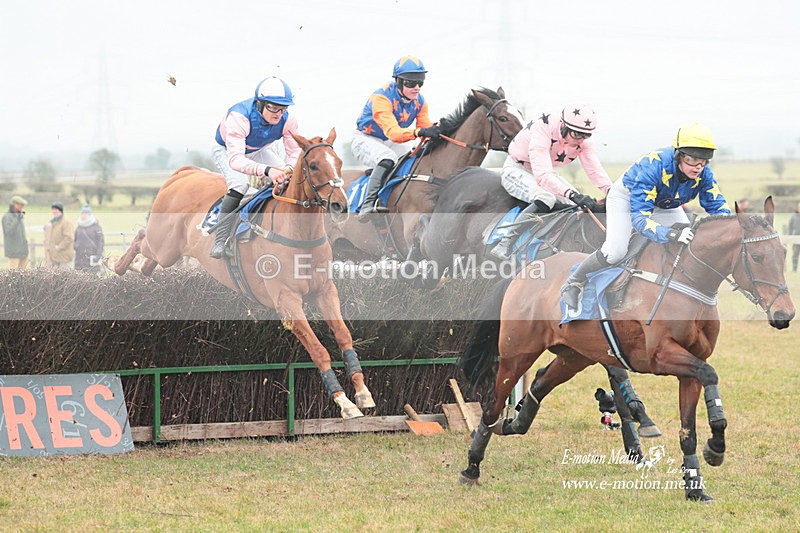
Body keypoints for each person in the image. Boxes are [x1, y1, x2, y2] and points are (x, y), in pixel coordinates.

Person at [561, 122, 731, 309]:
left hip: (664, 202)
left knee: (687, 241)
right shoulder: (653, 169)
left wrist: (732, 226)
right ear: (678, 155)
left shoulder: (703, 172)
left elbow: (717, 204)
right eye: (692, 159)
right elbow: (641, 221)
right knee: (615, 251)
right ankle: (574, 281)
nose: (698, 166)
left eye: (705, 160)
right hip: (627, 198)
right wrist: (670, 234)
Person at [491, 104, 612, 259]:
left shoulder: (582, 139)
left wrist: (611, 190)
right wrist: (572, 194)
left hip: (544, 171)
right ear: (563, 126)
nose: (580, 140)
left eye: (585, 136)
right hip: (517, 169)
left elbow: (595, 170)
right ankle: (506, 242)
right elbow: (543, 176)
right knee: (546, 197)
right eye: (576, 134)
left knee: (574, 204)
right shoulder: (543, 127)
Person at [210, 76, 299, 259]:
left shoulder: (288, 119)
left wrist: (289, 167)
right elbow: (236, 160)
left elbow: (295, 151)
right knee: (240, 185)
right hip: (228, 151)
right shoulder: (239, 116)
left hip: (258, 150)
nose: (278, 114)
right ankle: (220, 240)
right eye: (273, 108)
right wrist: (267, 171)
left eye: (282, 109)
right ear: (259, 104)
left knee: (287, 180)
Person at [352, 55, 441, 221]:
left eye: (420, 83)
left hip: (389, 141)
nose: (416, 88)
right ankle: (368, 203)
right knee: (388, 158)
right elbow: (394, 133)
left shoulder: (420, 101)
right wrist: (418, 132)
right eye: (411, 83)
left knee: (411, 159)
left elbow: (425, 127)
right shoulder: (381, 98)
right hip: (366, 139)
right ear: (398, 81)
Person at [74, 204, 105, 273]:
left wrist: (98, 255)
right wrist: (76, 246)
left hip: (92, 258)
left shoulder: (96, 227)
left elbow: (101, 242)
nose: (83, 215)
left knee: (92, 279)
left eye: (86, 213)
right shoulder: (78, 228)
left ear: (90, 215)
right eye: (82, 213)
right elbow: (74, 240)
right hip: (79, 259)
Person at [2, 195, 29, 269]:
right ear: (13, 205)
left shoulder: (19, 217)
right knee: (13, 275)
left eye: (22, 206)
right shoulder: (7, 217)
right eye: (20, 205)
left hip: (23, 251)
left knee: (24, 274)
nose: (22, 207)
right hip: (13, 252)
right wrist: (17, 219)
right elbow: (9, 232)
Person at [46, 202, 75, 270]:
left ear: (61, 211)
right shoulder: (54, 223)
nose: (54, 211)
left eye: (57, 209)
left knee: (66, 278)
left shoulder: (66, 222)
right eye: (53, 209)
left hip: (64, 258)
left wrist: (59, 247)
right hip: (56, 258)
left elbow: (69, 238)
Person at [789, 201, 800, 273]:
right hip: (796, 238)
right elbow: (790, 227)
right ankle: (794, 269)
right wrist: (790, 237)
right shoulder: (793, 217)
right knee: (795, 254)